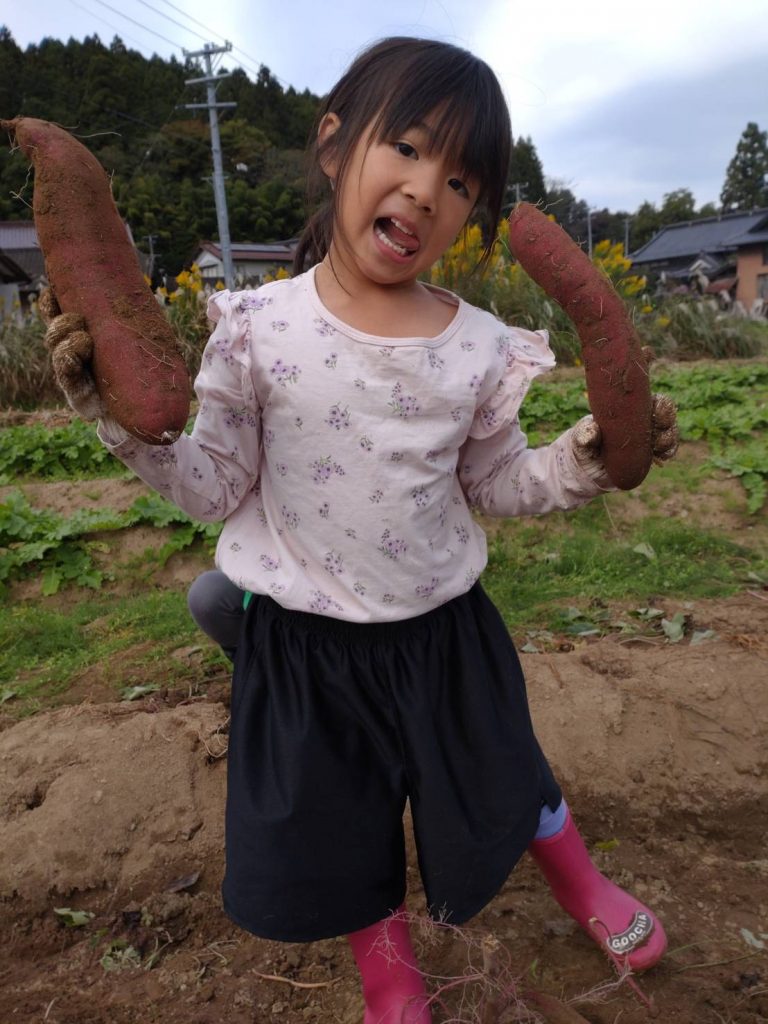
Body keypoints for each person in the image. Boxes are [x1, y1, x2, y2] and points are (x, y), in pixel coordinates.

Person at [44, 37, 678, 1024]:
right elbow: (213, 486)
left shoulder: (475, 345)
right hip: (312, 651)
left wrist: (590, 457)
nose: (429, 190)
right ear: (336, 147)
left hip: (444, 629)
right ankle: (391, 978)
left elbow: (497, 483)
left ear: (472, 210)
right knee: (345, 824)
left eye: (461, 178)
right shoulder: (255, 327)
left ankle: (583, 885)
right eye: (412, 149)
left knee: (506, 767)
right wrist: (109, 414)